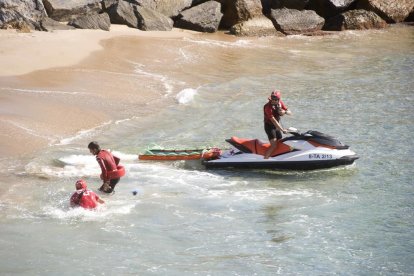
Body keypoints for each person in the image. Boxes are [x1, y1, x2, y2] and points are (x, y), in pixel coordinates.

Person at [263, 90, 292, 159]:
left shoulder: (280, 103)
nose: (273, 100)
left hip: (276, 126)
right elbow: (274, 121)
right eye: (272, 98)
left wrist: (284, 112)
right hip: (269, 126)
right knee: (274, 145)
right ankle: (265, 160)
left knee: (280, 141)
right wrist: (282, 130)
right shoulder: (268, 107)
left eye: (275, 99)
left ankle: (278, 156)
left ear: (278, 99)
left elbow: (290, 113)